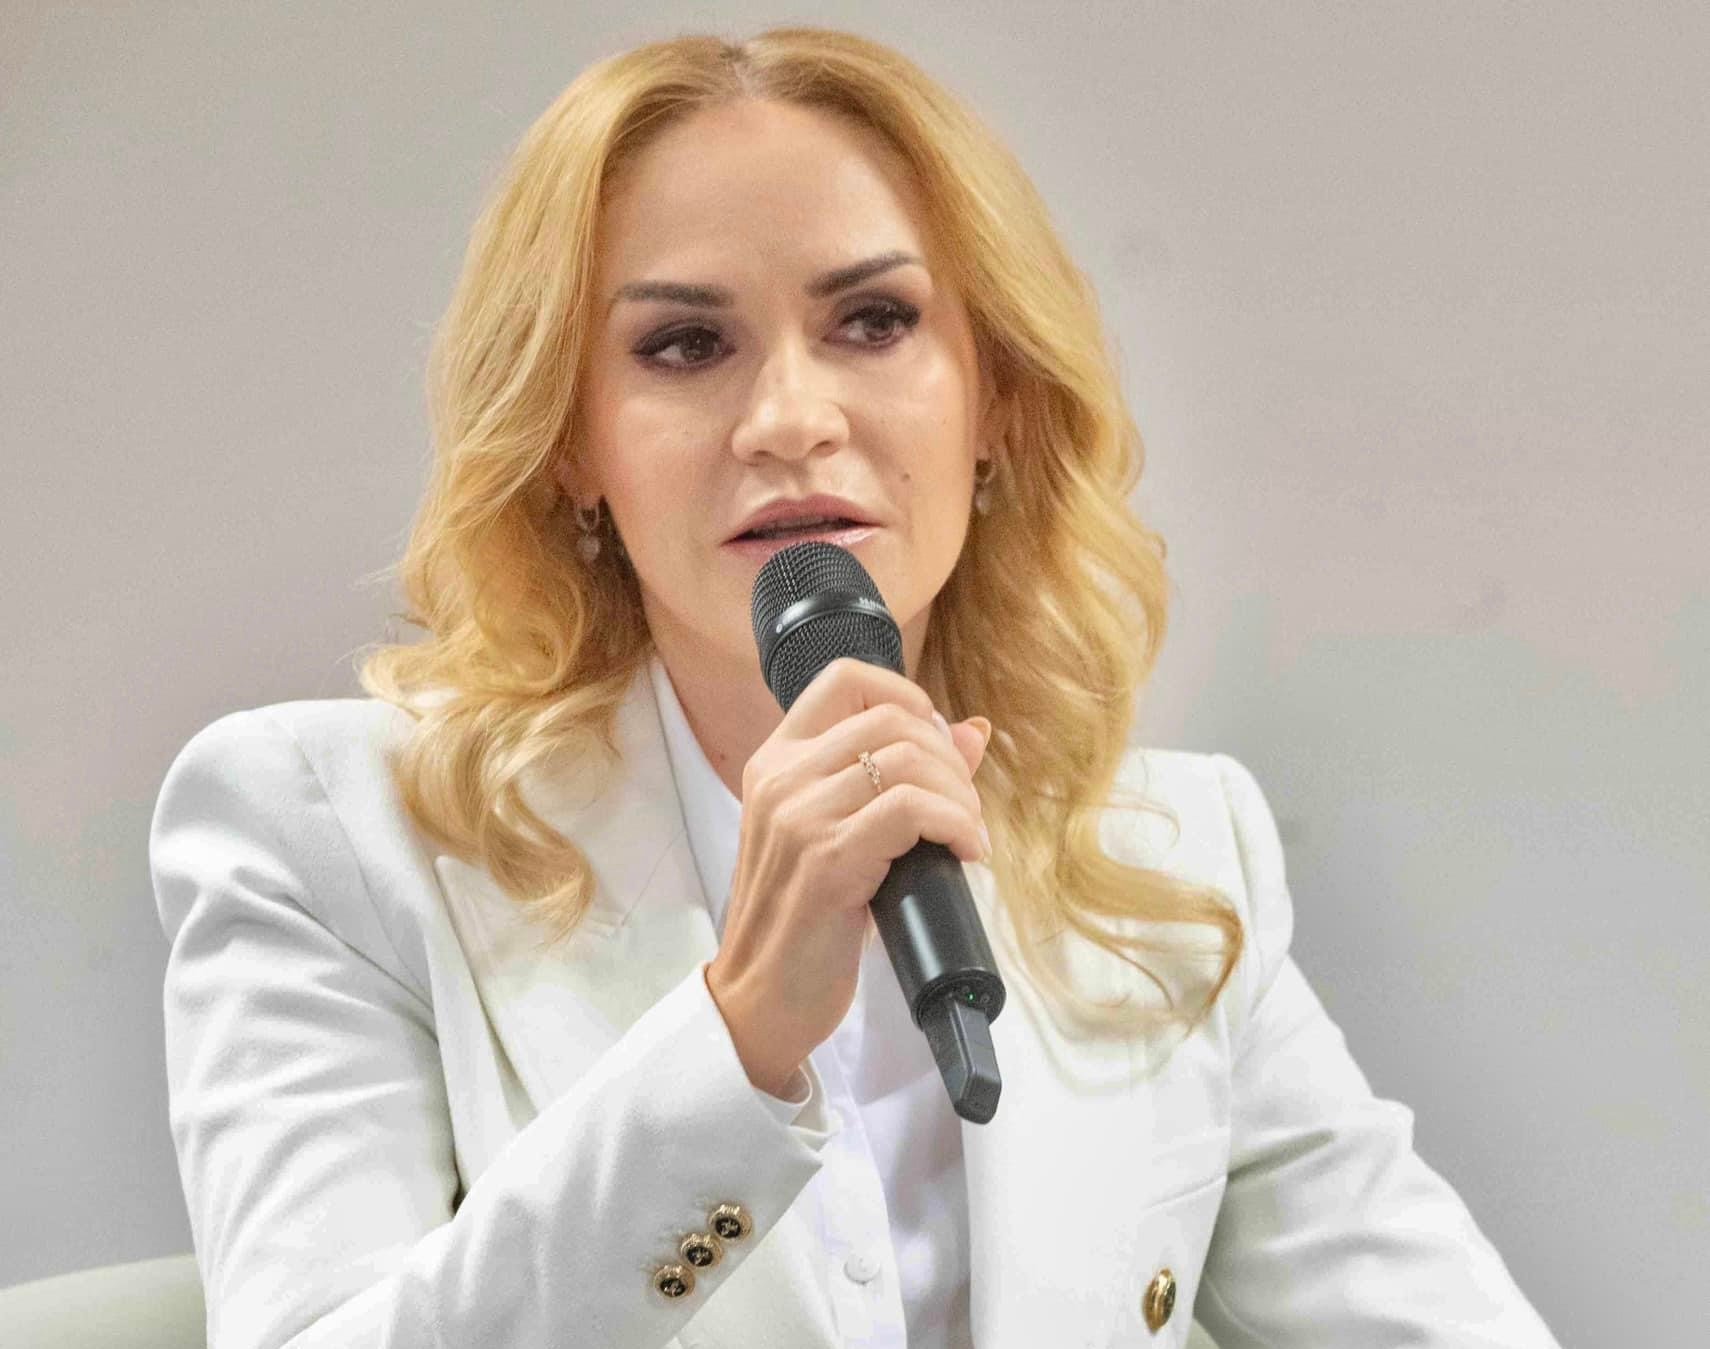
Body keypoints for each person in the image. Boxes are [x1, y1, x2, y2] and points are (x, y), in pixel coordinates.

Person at [148, 25, 1563, 1349]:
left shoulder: (1173, 862)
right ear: (571, 443)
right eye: (684, 345)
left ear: (996, 399)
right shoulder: (328, 839)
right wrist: (737, 1037)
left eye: (874, 322)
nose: (789, 420)